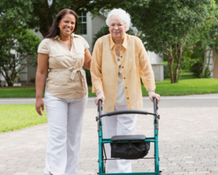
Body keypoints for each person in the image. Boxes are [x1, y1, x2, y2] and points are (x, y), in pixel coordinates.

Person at [91, 8, 161, 173]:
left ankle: (123, 172)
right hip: (107, 99)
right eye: (112, 24)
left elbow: (146, 68)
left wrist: (151, 90)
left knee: (125, 139)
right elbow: (95, 72)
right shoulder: (101, 43)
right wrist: (99, 91)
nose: (116, 28)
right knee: (109, 138)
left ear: (126, 26)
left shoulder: (135, 43)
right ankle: (114, 172)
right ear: (109, 26)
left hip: (130, 99)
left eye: (119, 24)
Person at [35, 9, 92, 175]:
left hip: (79, 94)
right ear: (58, 22)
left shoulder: (81, 41)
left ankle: (70, 172)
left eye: (73, 23)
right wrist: (39, 97)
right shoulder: (47, 43)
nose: (69, 25)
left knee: (74, 137)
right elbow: (41, 72)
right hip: (56, 94)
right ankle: (53, 172)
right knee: (57, 136)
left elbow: (90, 64)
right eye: (66, 21)